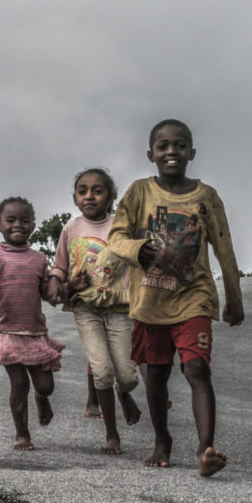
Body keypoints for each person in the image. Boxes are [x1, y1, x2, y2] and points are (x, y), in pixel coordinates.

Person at [108, 119, 244, 476]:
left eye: (180, 145)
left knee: (197, 368)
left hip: (193, 297)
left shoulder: (207, 196)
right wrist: (139, 249)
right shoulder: (139, 192)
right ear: (150, 154)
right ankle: (162, 439)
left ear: (192, 153)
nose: (172, 152)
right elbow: (116, 238)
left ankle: (205, 449)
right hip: (150, 302)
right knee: (156, 375)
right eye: (164, 146)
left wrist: (234, 298)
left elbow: (224, 248)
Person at [46, 168, 142, 454]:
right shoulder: (71, 228)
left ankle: (124, 393)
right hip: (86, 309)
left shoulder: (121, 228)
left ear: (111, 196)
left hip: (120, 309)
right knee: (101, 371)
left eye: (97, 190)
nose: (89, 196)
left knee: (126, 376)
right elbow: (60, 265)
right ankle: (112, 434)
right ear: (75, 198)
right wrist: (55, 281)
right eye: (82, 190)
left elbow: (136, 263)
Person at [0, 198, 65, 451]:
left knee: (45, 386)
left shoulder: (38, 259)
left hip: (34, 334)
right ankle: (22, 433)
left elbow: (48, 294)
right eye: (11, 220)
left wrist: (69, 287)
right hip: (5, 332)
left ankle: (42, 398)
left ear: (33, 226)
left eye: (24, 220)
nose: (18, 225)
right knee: (19, 384)